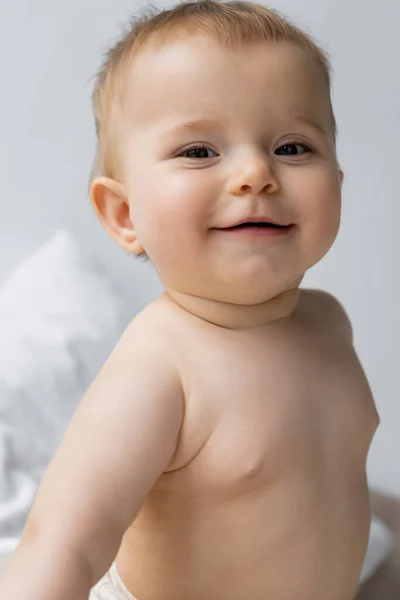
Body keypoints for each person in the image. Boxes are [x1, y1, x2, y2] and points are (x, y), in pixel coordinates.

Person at [0, 1, 380, 599]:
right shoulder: (159, 370)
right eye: (199, 151)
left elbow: (320, 487)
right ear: (126, 215)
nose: (256, 172)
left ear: (337, 181)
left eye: (293, 147)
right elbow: (64, 545)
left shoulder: (330, 323)